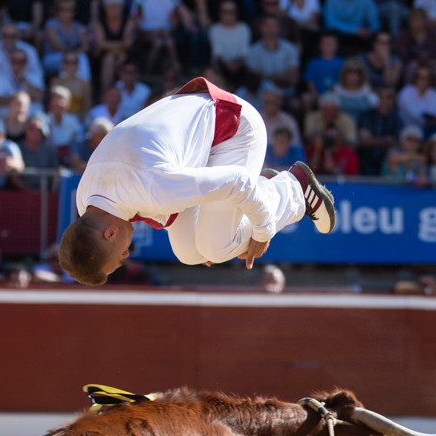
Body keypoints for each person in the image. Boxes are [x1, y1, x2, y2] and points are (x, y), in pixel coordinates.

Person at [59, 78, 336, 285]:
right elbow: (161, 198)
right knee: (188, 252)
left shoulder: (155, 188)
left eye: (119, 258)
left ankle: (294, 189)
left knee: (216, 245)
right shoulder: (87, 200)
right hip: (194, 129)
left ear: (110, 233)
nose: (126, 255)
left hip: (235, 127)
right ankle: (262, 191)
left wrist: (263, 232)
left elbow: (238, 181)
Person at [357, 85, 402, 175]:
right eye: (382, 97)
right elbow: (364, 141)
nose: (385, 101)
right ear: (377, 98)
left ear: (393, 100)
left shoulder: (398, 119)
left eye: (389, 97)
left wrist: (372, 141)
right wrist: (386, 141)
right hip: (366, 162)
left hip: (387, 165)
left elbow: (396, 143)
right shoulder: (366, 116)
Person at [92, 0, 135, 92]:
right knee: (109, 59)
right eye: (112, 7)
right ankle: (106, 92)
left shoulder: (128, 21)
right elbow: (100, 45)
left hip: (123, 55)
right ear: (106, 9)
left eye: (117, 7)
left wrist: (108, 45)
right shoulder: (100, 23)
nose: (115, 10)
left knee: (122, 58)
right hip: (102, 58)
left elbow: (127, 44)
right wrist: (120, 45)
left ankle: (123, 92)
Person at [208, 1, 251, 89]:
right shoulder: (215, 29)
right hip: (222, 65)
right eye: (225, 12)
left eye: (231, 12)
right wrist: (228, 64)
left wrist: (237, 64)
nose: (228, 15)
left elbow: (244, 52)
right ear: (220, 14)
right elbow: (217, 53)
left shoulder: (244, 28)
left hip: (240, 66)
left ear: (237, 13)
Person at [12, 113, 57, 190]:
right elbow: (13, 177)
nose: (35, 132)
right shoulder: (16, 149)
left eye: (38, 130)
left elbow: (55, 175)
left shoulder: (50, 151)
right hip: (20, 193)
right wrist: (28, 191)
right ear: (25, 130)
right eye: (31, 128)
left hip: (45, 193)